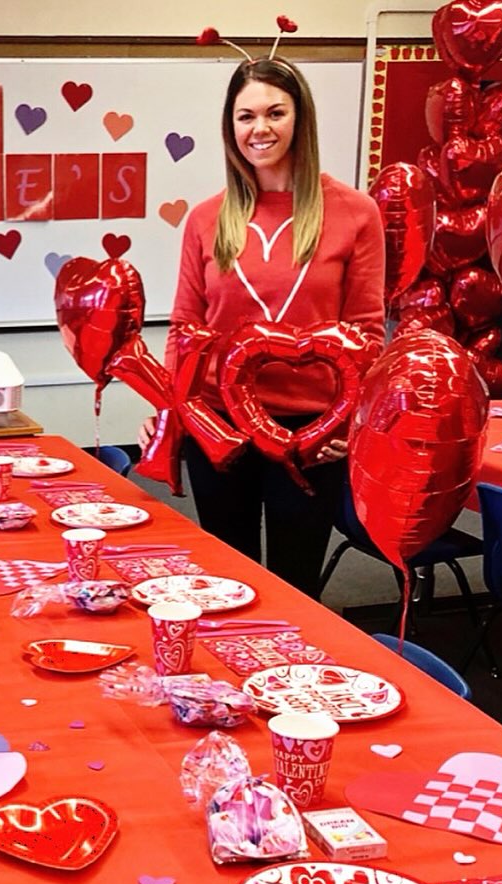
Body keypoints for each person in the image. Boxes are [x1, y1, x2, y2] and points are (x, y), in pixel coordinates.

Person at [139, 55, 385, 597]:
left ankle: (292, 679)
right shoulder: (208, 218)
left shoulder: (356, 213)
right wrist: (167, 413)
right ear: (230, 127)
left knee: (297, 585)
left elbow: (367, 332)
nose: (260, 129)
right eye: (245, 116)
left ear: (301, 120)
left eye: (275, 113)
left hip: (311, 433)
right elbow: (186, 327)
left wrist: (347, 426)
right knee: (226, 583)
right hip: (219, 426)